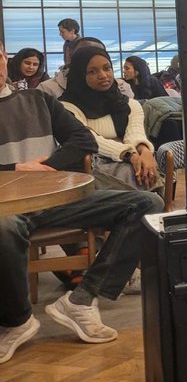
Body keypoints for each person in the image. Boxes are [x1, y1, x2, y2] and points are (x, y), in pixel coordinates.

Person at [0, 39, 163, 365]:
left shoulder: (38, 99)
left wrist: (44, 168)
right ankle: (17, 320)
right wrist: (15, 169)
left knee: (147, 204)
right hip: (8, 209)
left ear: (5, 59)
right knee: (3, 225)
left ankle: (82, 299)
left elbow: (82, 140)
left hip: (58, 198)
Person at [61, 47, 159, 191]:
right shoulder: (67, 107)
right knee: (132, 175)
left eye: (107, 68)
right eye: (92, 71)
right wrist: (130, 155)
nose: (103, 75)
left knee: (147, 168)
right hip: (90, 166)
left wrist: (145, 152)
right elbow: (90, 139)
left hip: (128, 158)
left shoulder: (129, 104)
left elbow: (135, 133)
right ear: (79, 75)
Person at [38, 38, 135, 100]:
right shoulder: (47, 89)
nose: (92, 58)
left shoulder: (121, 87)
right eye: (84, 54)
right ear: (72, 57)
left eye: (98, 53)